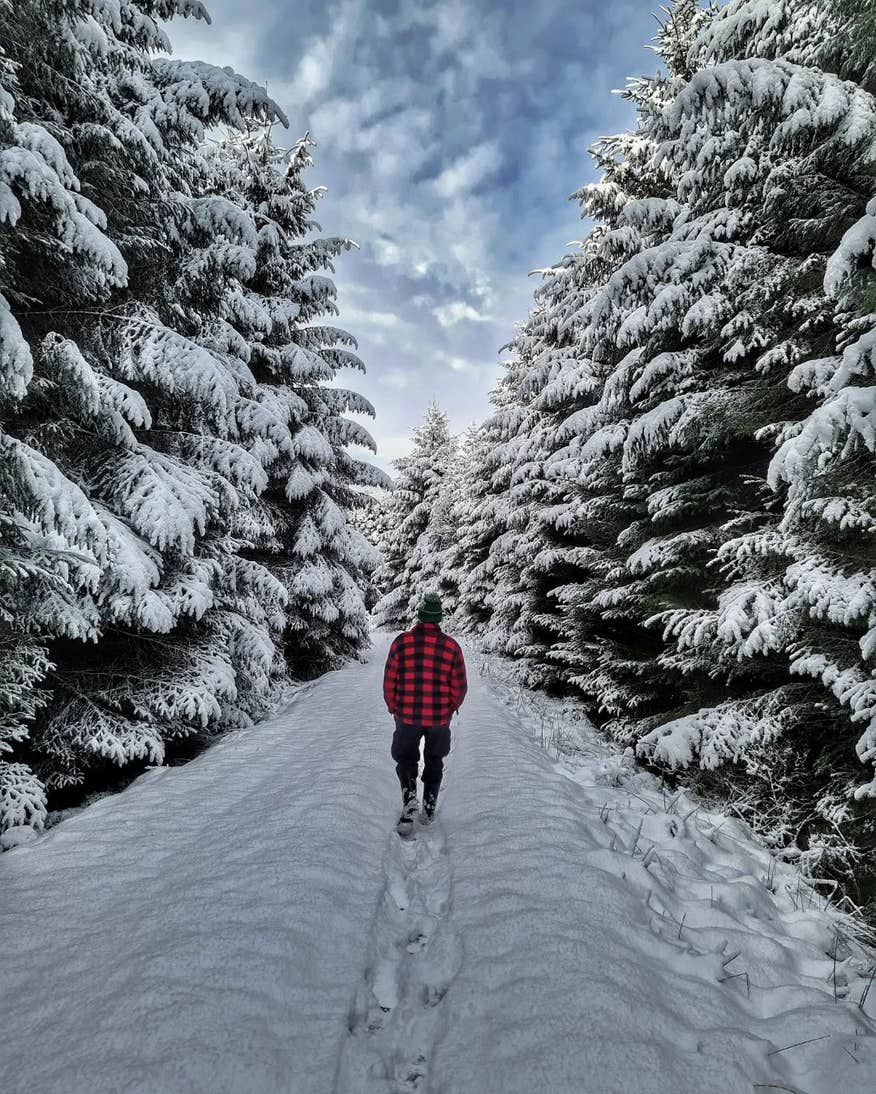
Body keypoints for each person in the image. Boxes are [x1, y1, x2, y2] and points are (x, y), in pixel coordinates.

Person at [382, 592, 468, 831]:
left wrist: (394, 707)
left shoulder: (401, 642)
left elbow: (389, 681)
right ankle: (429, 804)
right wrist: (451, 707)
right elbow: (460, 686)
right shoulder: (451, 647)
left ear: (419, 617)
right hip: (439, 718)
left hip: (407, 716)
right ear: (438, 619)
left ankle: (409, 799)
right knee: (435, 759)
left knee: (406, 758)